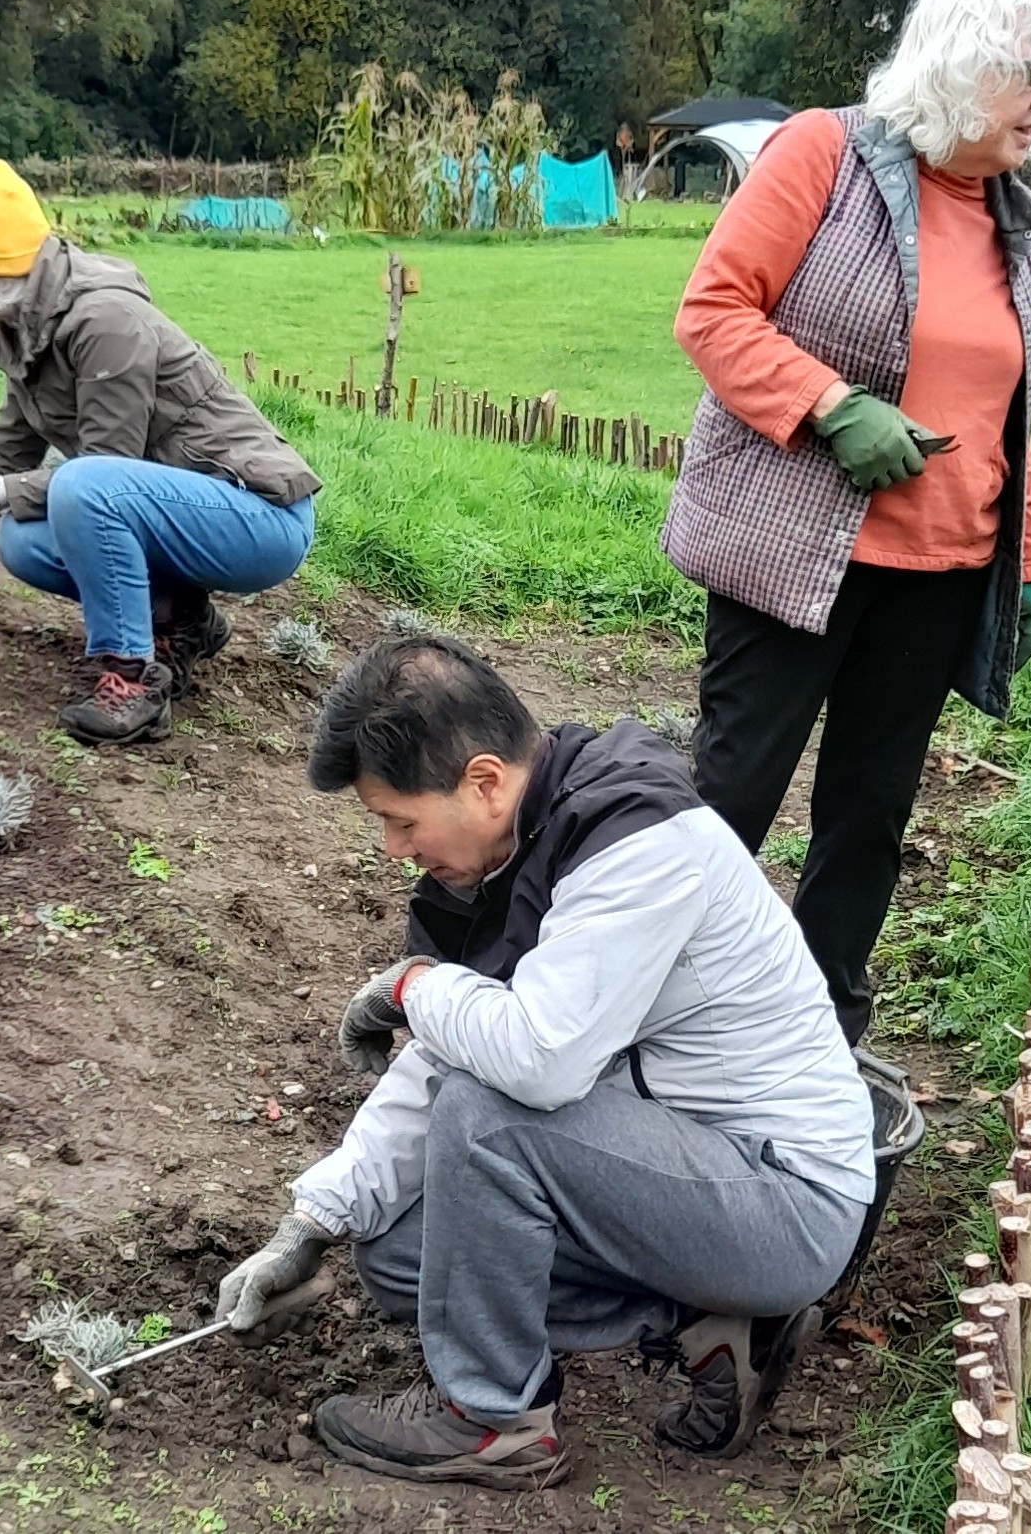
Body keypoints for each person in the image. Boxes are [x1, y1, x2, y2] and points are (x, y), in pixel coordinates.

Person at [219, 633, 875, 1489]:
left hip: (783, 1197)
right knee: (403, 1256)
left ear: (484, 782)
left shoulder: (635, 842)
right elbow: (456, 1052)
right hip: (680, 1172)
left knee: (487, 1118)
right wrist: (313, 1221)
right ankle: (715, 1327)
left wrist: (415, 987)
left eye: (401, 820)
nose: (391, 847)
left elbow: (534, 1064)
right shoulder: (523, 848)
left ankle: (493, 1421)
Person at [660, 0, 1031, 1043]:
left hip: (939, 576)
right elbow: (713, 312)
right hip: (793, 559)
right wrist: (829, 406)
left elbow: (1005, 411)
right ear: (958, 65)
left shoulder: (1014, 218)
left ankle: (812, 1037)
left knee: (868, 822)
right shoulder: (825, 153)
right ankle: (650, 1006)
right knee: (728, 802)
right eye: (1030, 72)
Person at [0, 159, 321, 745]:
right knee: (21, 539)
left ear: (3, 269)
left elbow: (106, 470)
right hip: (182, 511)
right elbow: (3, 462)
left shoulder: (106, 320)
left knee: (81, 488)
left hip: (259, 517)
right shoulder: (26, 329)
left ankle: (133, 682)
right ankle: (180, 620)